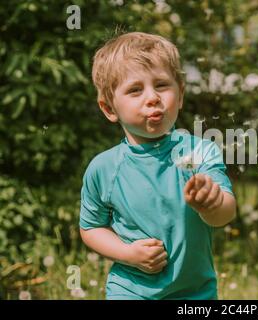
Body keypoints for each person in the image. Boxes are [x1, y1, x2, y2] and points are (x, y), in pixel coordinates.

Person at [79, 32, 236, 300]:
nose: (152, 97)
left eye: (162, 85)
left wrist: (211, 203)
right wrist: (128, 254)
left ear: (181, 94)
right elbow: (91, 228)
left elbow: (225, 214)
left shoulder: (199, 152)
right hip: (130, 291)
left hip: (194, 293)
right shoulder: (103, 168)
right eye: (135, 90)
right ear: (109, 108)